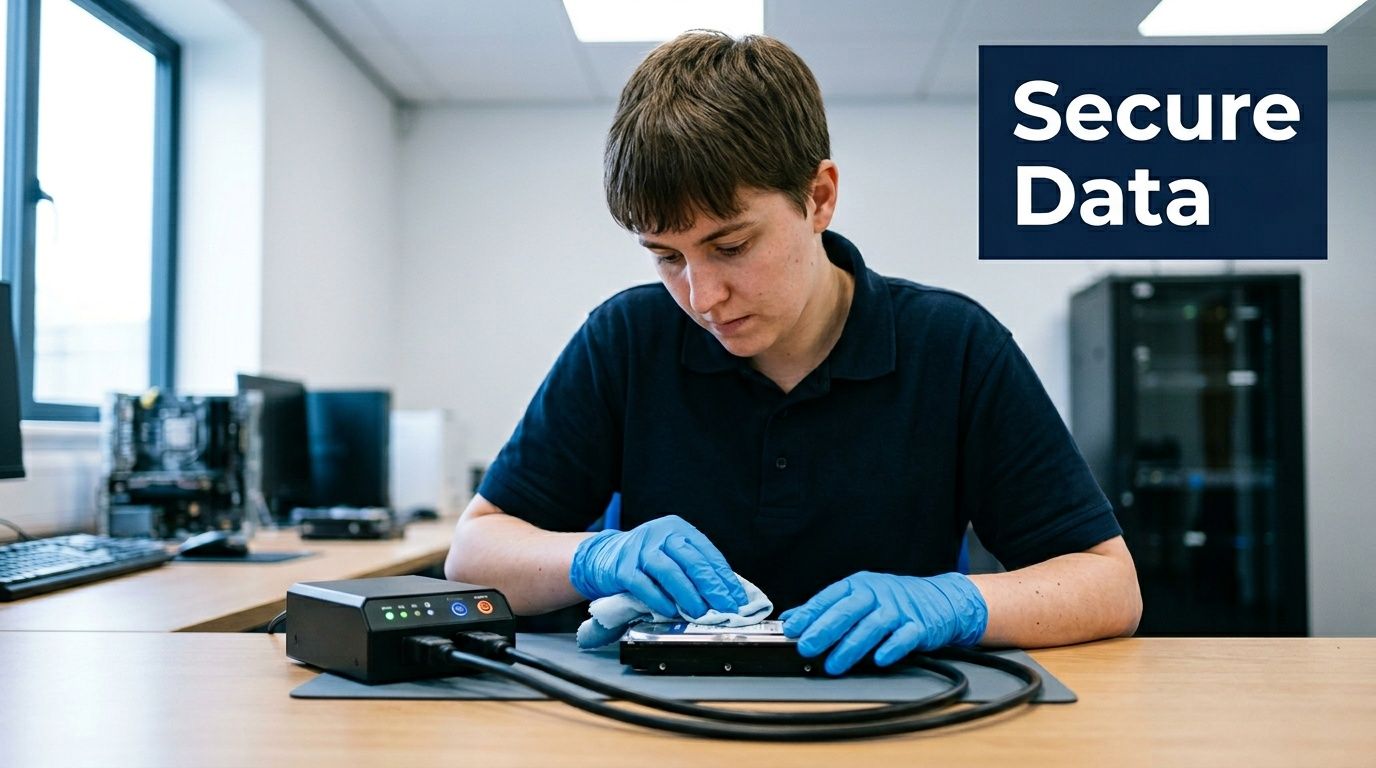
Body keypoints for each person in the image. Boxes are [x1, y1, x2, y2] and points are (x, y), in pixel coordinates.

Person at [445, 31, 1141, 675]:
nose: (701, 296)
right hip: (668, 722)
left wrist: (958, 604)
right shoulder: (627, 337)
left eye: (731, 247)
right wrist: (593, 556)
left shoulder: (953, 346)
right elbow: (473, 554)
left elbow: (1110, 584)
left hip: (891, 720)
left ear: (819, 197)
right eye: (666, 257)